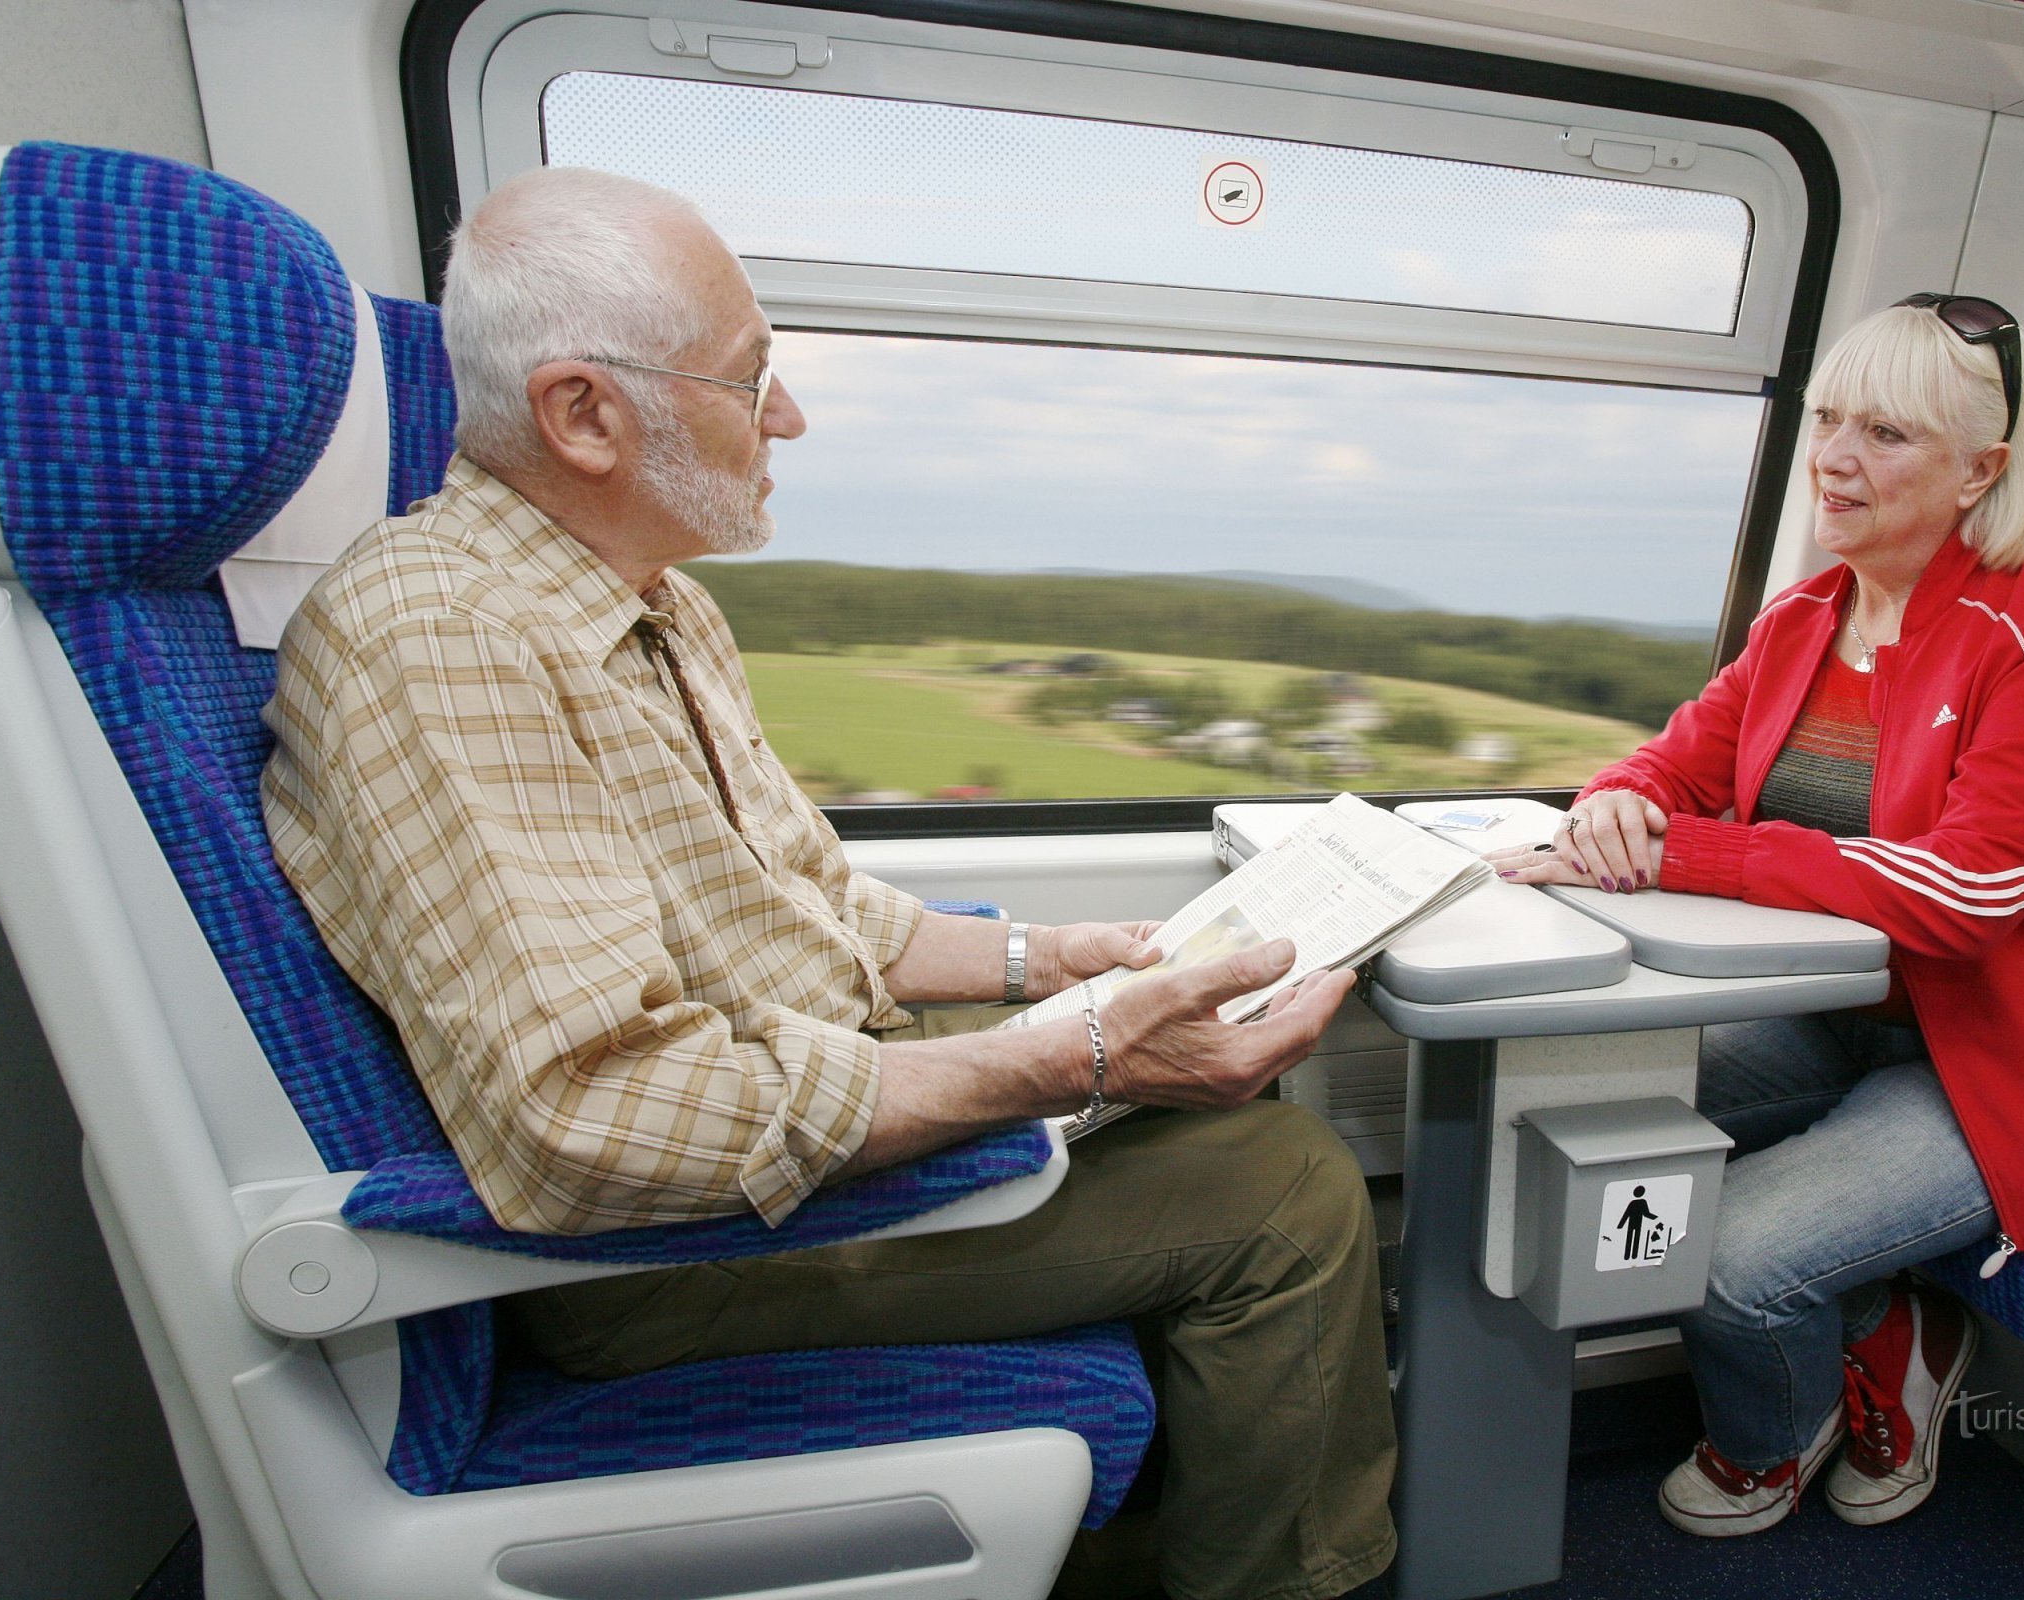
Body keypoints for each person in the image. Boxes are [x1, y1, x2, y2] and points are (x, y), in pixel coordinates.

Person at [259, 166, 1396, 1600]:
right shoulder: (444, 641)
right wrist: (1071, 1061)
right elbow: (587, 1117)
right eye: (752, 379)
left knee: (1250, 1088)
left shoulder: (658, 608)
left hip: (782, 1124)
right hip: (666, 1257)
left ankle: (1168, 1548)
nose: (786, 417)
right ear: (582, 414)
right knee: (1285, 1194)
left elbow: (810, 903)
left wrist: (1066, 962)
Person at [1486, 295, 2024, 1536]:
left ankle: (1778, 1435)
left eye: (1886, 433)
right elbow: (1674, 763)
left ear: (1982, 469)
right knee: (1548, 1102)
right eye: (1826, 419)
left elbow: (1967, 892)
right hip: (1840, 1014)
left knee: (1728, 1252)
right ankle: (1889, 1315)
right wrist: (1618, 805)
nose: (1833, 456)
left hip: (2016, 1057)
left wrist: (1690, 853)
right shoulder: (1806, 617)